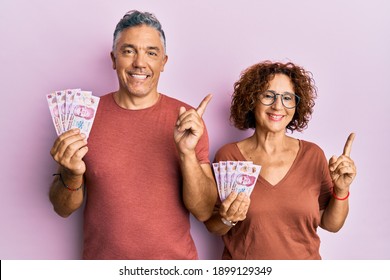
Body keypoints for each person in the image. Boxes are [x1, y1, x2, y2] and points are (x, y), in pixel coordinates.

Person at [49, 10, 217, 260]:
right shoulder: (83, 117)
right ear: (114, 59)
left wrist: (187, 153)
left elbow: (204, 211)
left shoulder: (187, 120)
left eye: (151, 52)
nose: (140, 62)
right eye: (128, 51)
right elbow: (62, 208)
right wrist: (72, 173)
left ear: (164, 62)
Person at [204, 61, 357, 259]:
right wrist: (226, 219)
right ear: (252, 100)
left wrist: (342, 190)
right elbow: (213, 226)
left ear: (296, 105)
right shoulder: (229, 157)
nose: (278, 106)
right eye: (268, 96)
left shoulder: (313, 155)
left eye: (287, 98)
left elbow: (331, 224)